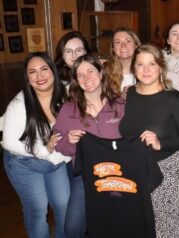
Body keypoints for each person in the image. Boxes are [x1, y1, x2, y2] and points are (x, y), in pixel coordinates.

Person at [119, 43, 179, 237]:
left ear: (160, 67)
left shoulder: (174, 98)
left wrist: (161, 142)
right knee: (142, 227)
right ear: (133, 68)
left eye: (151, 64)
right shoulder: (131, 94)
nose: (146, 70)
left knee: (169, 230)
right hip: (137, 170)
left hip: (169, 171)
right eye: (140, 64)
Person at [53, 54, 125, 238]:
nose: (86, 78)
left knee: (115, 224)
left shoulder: (120, 104)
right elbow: (58, 144)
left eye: (91, 71)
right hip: (85, 175)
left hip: (118, 174)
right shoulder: (69, 109)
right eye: (80, 75)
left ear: (101, 73)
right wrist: (68, 141)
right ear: (76, 80)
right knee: (73, 227)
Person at [2, 52, 71, 238]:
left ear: (53, 71)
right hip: (24, 162)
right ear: (27, 77)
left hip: (54, 161)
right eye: (32, 72)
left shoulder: (67, 93)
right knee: (38, 209)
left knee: (64, 204)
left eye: (44, 69)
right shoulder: (19, 102)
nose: (39, 76)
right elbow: (8, 142)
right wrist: (44, 149)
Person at [104, 27, 141, 95]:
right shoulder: (105, 72)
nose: (123, 45)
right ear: (113, 49)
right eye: (118, 42)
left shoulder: (145, 71)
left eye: (128, 41)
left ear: (136, 45)